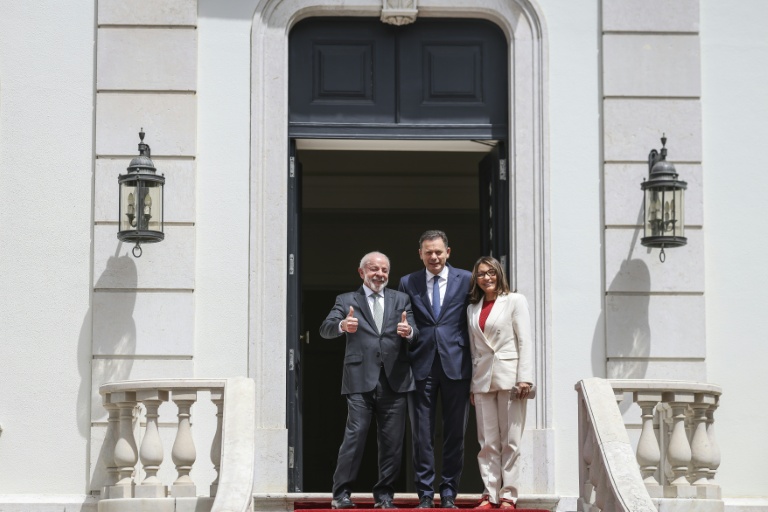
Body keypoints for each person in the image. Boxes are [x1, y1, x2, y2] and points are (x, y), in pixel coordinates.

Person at [320, 251, 419, 510]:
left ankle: (384, 497)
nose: (380, 274)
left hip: (394, 380)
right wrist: (343, 325)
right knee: (355, 436)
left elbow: (416, 332)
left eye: (384, 270)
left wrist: (409, 332)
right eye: (374, 269)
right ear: (361, 272)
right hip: (359, 380)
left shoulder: (402, 299)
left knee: (392, 442)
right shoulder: (347, 300)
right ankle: (341, 494)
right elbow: (325, 328)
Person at [398, 230, 473, 509]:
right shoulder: (408, 282)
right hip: (422, 366)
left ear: (448, 252)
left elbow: (473, 320)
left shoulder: (465, 279)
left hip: (457, 365)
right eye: (428, 252)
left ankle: (450, 492)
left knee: (455, 433)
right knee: (422, 435)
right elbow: (410, 322)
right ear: (420, 254)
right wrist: (408, 332)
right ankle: (426, 495)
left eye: (438, 252)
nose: (434, 257)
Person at [466, 256, 533, 510]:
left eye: (491, 273)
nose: (487, 278)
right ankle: (489, 493)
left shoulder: (515, 301)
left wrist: (524, 377)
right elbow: (474, 351)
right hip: (482, 379)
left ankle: (509, 495)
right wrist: (473, 385)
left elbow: (525, 340)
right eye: (481, 274)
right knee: (487, 442)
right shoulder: (472, 308)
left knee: (511, 440)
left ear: (499, 274)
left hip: (510, 377)